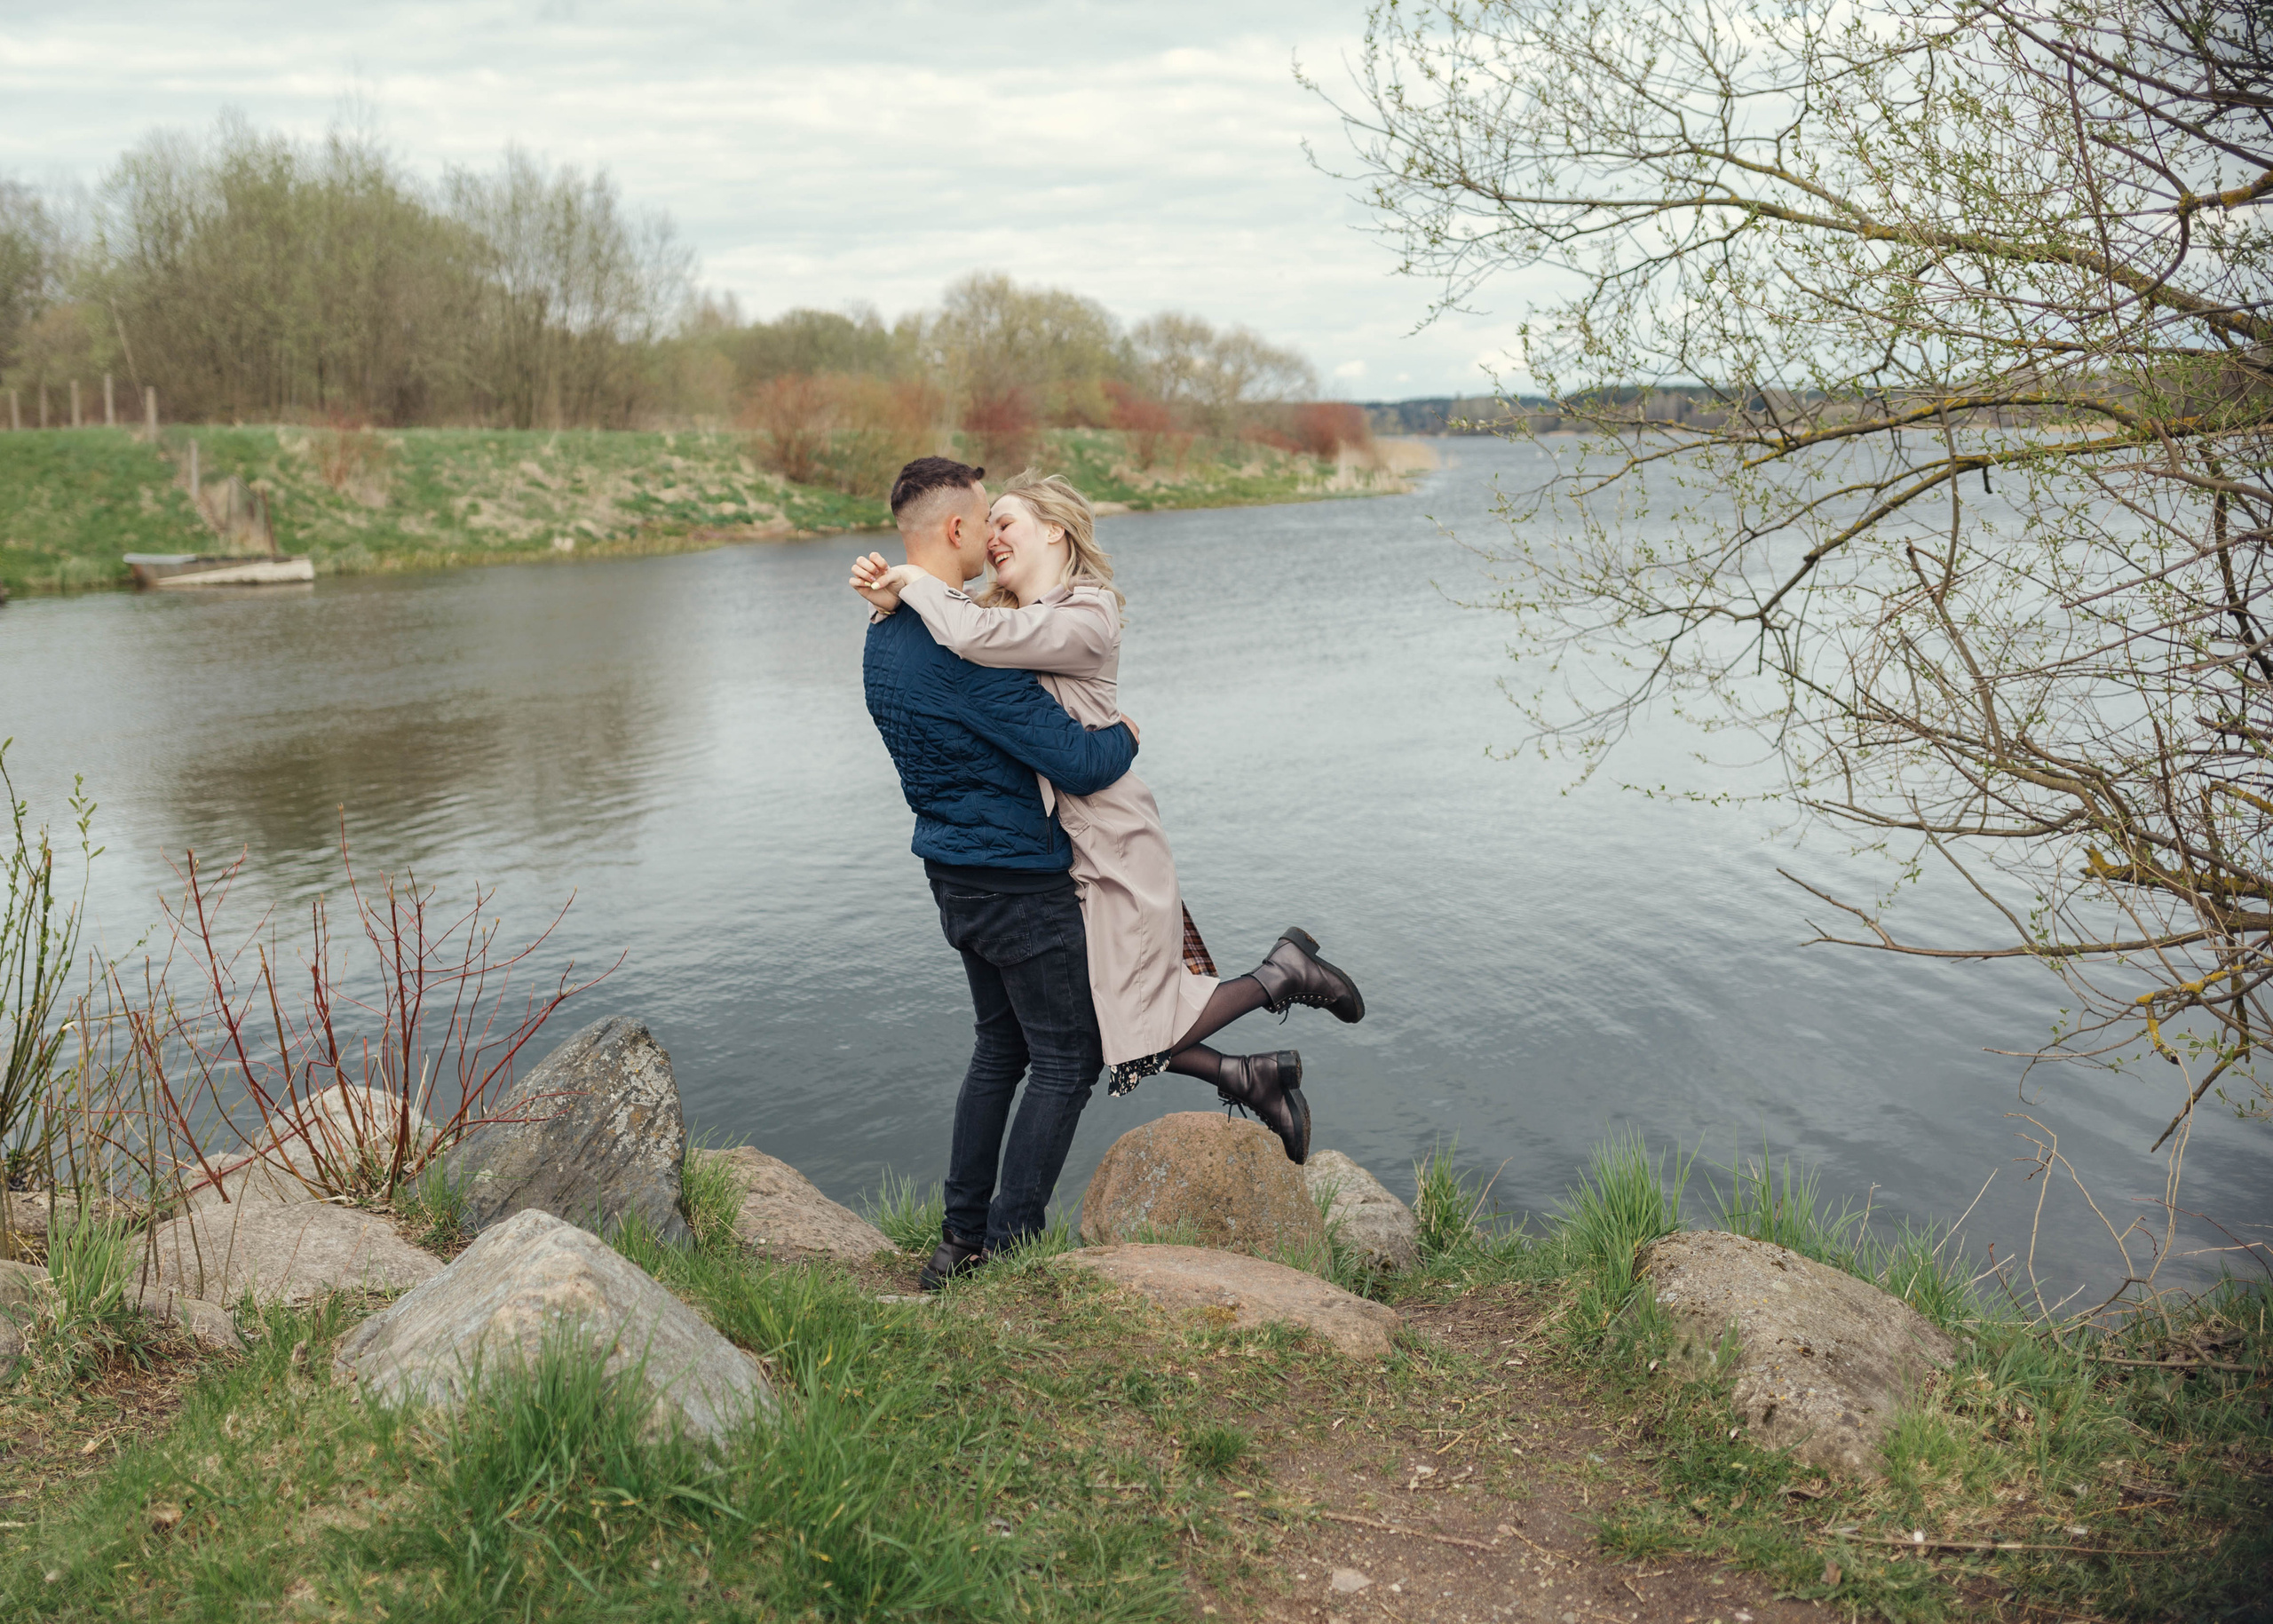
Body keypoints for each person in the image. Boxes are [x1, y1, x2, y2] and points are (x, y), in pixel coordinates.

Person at [851, 468, 1366, 1170]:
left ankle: (1279, 974)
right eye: (988, 522)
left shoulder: (1085, 613)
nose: (994, 536)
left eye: (1008, 522)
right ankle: (1246, 1075)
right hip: (1065, 843)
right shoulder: (1007, 611)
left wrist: (907, 581)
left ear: (1055, 530)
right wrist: (894, 600)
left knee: (1121, 1013)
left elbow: (967, 637)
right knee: (1106, 1018)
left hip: (1113, 838)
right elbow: (958, 628)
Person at [861, 457, 1141, 1290]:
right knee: (1067, 1056)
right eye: (984, 519)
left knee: (999, 1049)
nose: (990, 534)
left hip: (948, 870)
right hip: (1018, 879)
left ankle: (958, 1240)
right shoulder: (969, 659)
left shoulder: (883, 637)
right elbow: (1080, 762)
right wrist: (1127, 729)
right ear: (953, 531)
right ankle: (1009, 1243)